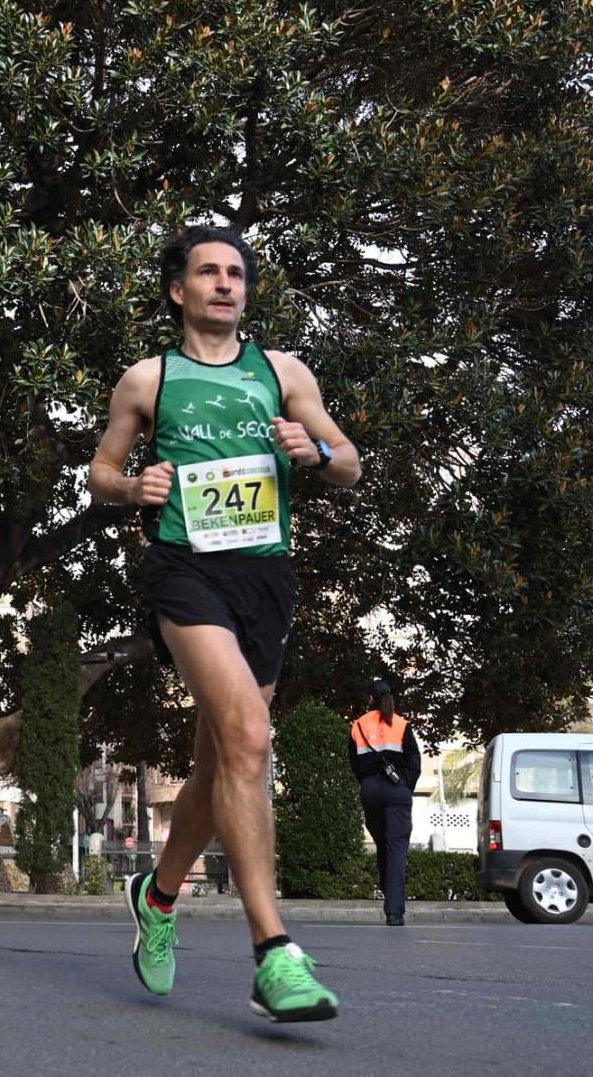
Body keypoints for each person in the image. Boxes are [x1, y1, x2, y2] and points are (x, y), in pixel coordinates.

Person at [90, 225, 361, 1024]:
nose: (223, 284)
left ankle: (158, 895)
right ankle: (275, 953)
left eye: (235, 274)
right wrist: (132, 485)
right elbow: (100, 470)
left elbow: (350, 462)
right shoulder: (149, 378)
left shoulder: (282, 373)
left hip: (265, 578)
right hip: (186, 568)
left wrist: (310, 449)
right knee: (247, 734)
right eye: (208, 272)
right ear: (179, 291)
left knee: (220, 763)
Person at [351, 678, 422, 927]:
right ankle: (394, 911)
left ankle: (388, 893)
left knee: (383, 845)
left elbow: (355, 765)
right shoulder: (402, 724)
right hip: (397, 791)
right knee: (396, 849)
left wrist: (368, 782)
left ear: (370, 699)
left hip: (371, 790)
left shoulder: (358, 725)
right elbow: (414, 761)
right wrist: (405, 786)